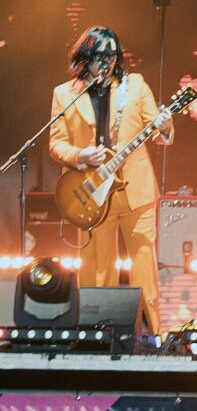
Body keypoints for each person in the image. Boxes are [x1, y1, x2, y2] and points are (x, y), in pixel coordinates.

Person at [47, 26, 172, 333]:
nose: (108, 62)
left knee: (143, 260)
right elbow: (56, 143)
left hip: (135, 190)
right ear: (85, 57)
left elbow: (158, 131)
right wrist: (80, 155)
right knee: (97, 265)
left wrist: (165, 126)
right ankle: (96, 332)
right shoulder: (64, 94)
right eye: (101, 56)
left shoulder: (135, 85)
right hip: (91, 191)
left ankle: (151, 333)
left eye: (113, 56)